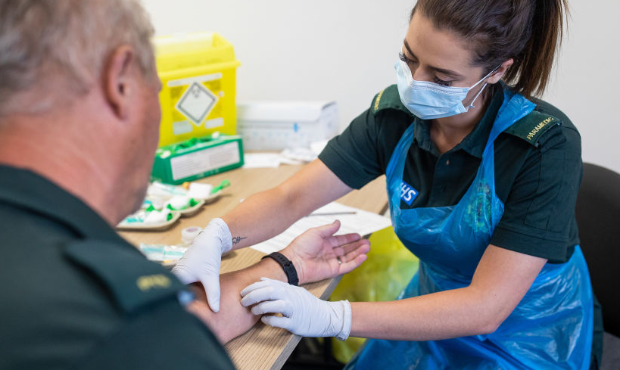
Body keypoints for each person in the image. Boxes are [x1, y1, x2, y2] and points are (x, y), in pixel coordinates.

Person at [173, 0, 604, 368]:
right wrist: (219, 234)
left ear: (496, 71)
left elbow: (486, 307)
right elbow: (292, 196)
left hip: (526, 333)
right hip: (428, 308)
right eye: (409, 57)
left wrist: (335, 318)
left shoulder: (542, 147)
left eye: (441, 78)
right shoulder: (394, 116)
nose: (415, 83)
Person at [0, 1, 370, 369]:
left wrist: (285, 267)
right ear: (121, 83)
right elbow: (152, 337)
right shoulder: (125, 329)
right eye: (157, 89)